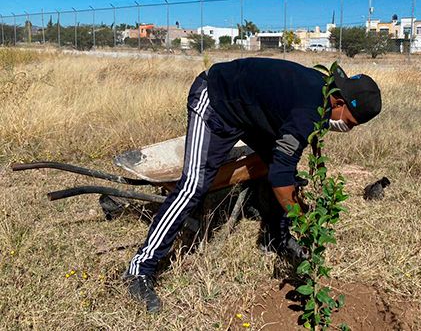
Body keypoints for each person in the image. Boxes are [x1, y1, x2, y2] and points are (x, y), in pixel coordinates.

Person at [124, 57, 382, 312]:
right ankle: (140, 269)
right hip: (216, 99)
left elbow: (294, 150)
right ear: (338, 102)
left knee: (279, 166)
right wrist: (302, 220)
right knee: (194, 186)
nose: (346, 128)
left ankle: (275, 238)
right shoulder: (308, 109)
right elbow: (281, 177)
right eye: (349, 122)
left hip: (250, 111)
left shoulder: (326, 91)